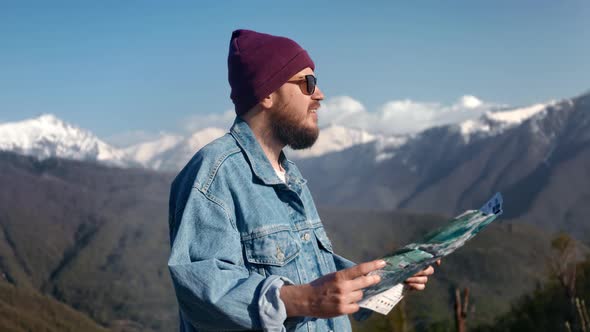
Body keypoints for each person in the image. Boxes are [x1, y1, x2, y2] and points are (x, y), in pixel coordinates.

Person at [167, 29, 437, 332]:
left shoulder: (290, 176)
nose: (319, 95)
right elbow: (201, 290)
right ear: (266, 93)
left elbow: (311, 274)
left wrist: (385, 279)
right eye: (308, 83)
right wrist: (303, 301)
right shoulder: (214, 172)